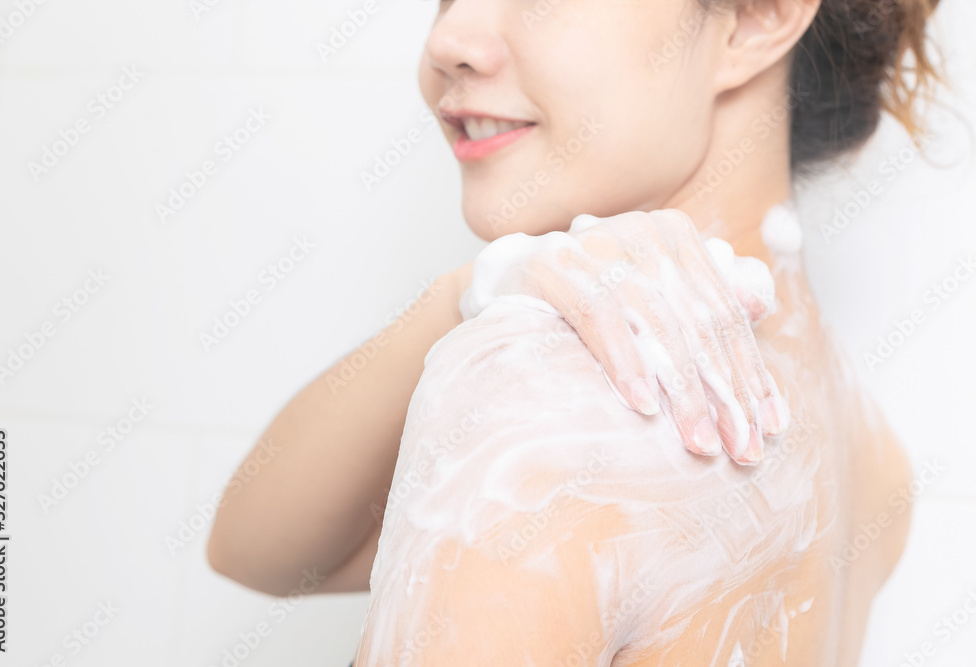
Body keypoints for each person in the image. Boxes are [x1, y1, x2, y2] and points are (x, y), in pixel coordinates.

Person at [208, 0, 940, 663]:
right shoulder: (865, 443)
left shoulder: (547, 405)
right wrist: (462, 294)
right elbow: (254, 549)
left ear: (753, 17)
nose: (447, 39)